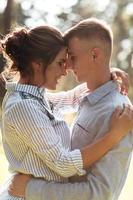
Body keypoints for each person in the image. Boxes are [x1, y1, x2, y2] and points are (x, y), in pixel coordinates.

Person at [0, 23, 133, 200]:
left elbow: (72, 97)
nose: (66, 69)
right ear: (38, 64)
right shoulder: (24, 106)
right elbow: (63, 164)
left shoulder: (37, 98)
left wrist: (110, 73)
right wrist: (113, 136)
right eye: (61, 62)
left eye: (70, 59)